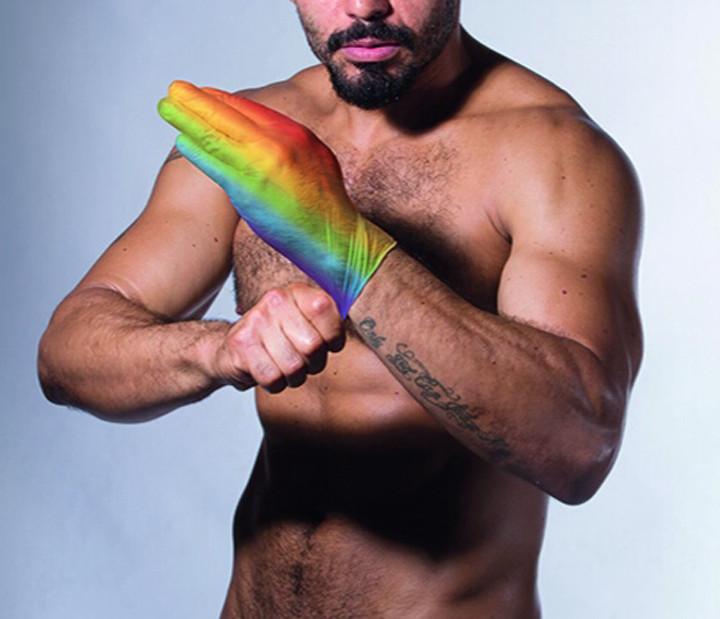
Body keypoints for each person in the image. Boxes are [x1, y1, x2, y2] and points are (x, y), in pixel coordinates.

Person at [37, 1, 643, 616]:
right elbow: (66, 355)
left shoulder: (553, 151)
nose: (363, 6)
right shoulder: (255, 136)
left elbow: (580, 446)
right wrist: (221, 349)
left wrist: (346, 249)